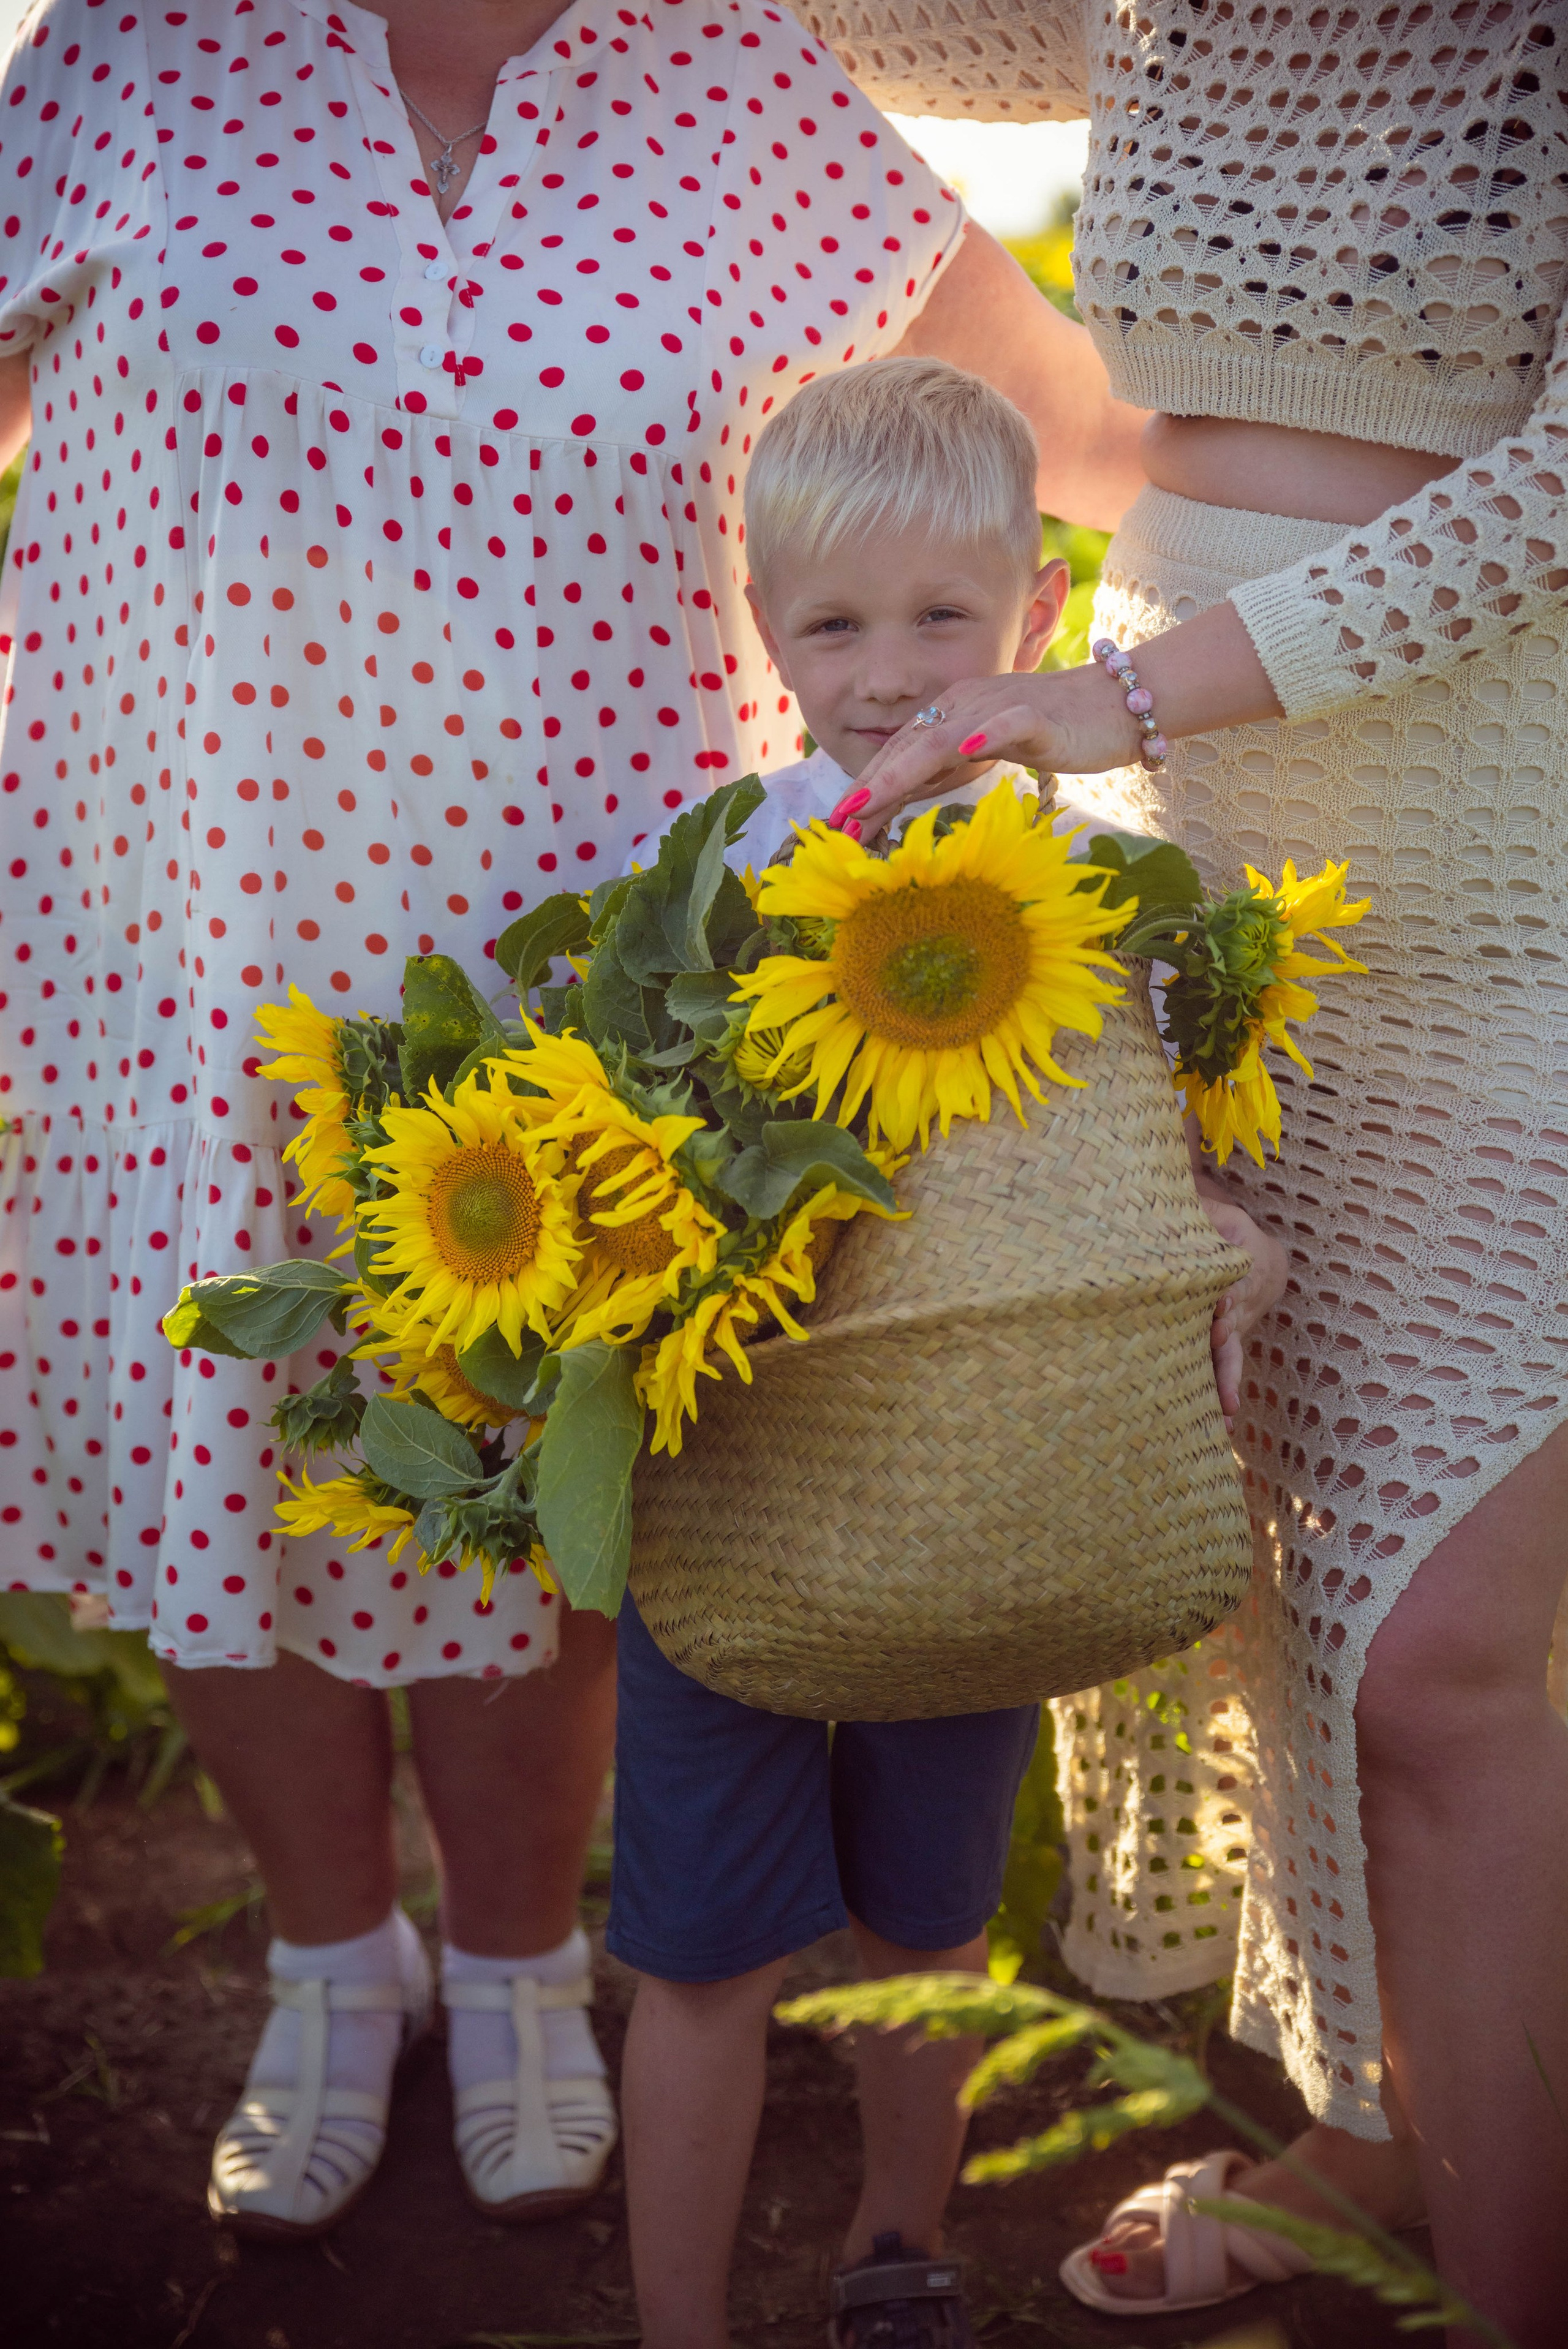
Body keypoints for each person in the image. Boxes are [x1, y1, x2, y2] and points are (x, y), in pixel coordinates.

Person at [0, 0, 1137, 2241]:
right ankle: (335, 1962)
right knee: (238, 1433)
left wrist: (1406, 548)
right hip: (198, 927)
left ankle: (522, 1961)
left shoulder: (731, 66)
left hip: (608, 953)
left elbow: (1090, 425)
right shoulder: (142, 45)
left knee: (561, 1467)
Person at [797, 5, 1568, 2342]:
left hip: (1496, 853)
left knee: (1442, 1656)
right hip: (1215, 838)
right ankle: (1379, 2134)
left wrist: (1128, 698)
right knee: (1284, 1568)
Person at [609, 357, 1286, 2349]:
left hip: (989, 1483)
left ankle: (899, 2236)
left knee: (926, 1919)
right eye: (837, 622)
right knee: (698, 1949)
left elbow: (1154, 1128)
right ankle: (672, 2316)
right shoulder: (730, 868)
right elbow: (648, 1139)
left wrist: (1216, 1228)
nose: (894, 668)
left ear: (1037, 622)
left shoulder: (1093, 885)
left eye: (944, 619)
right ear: (769, 633)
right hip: (757, 1465)